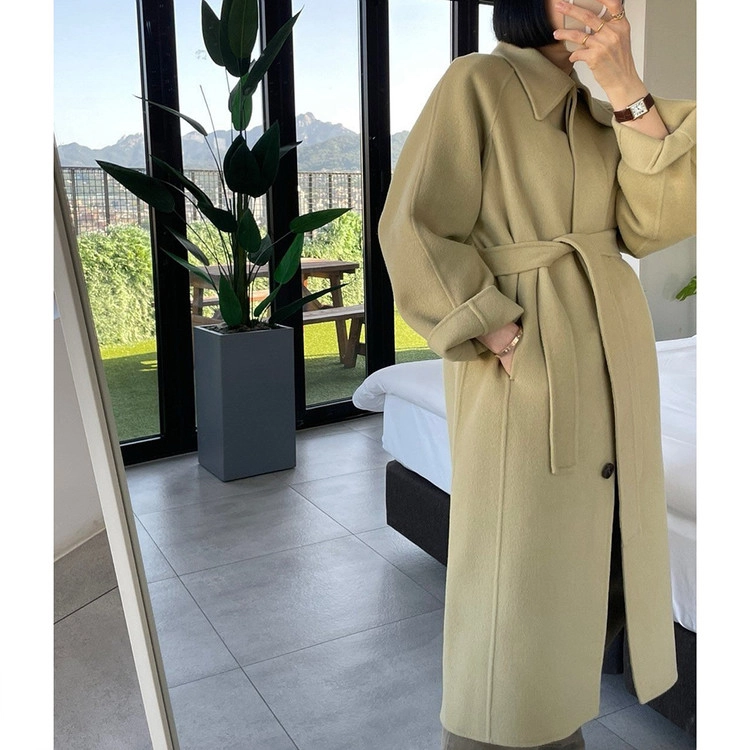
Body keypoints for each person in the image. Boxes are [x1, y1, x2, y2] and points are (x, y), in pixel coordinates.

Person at [378, 0, 696, 748]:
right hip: (525, 355)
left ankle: (554, 725)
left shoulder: (598, 112)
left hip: (610, 352)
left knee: (584, 570)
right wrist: (491, 324)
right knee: (514, 582)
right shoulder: (478, 83)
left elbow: (652, 226)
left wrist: (627, 88)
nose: (602, 3)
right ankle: (495, 731)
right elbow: (412, 222)